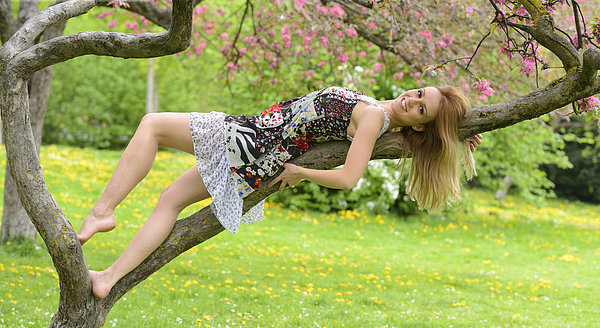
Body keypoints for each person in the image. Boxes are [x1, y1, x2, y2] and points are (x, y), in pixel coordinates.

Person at [77, 86, 482, 299]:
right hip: (259, 147)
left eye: (420, 108)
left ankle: (102, 211)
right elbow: (412, 140)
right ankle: (108, 278)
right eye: (417, 93)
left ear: (421, 125)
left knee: (151, 124)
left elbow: (347, 178)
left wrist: (300, 172)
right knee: (170, 199)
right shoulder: (382, 116)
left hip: (253, 140)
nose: (410, 99)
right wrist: (458, 138)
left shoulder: (376, 118)